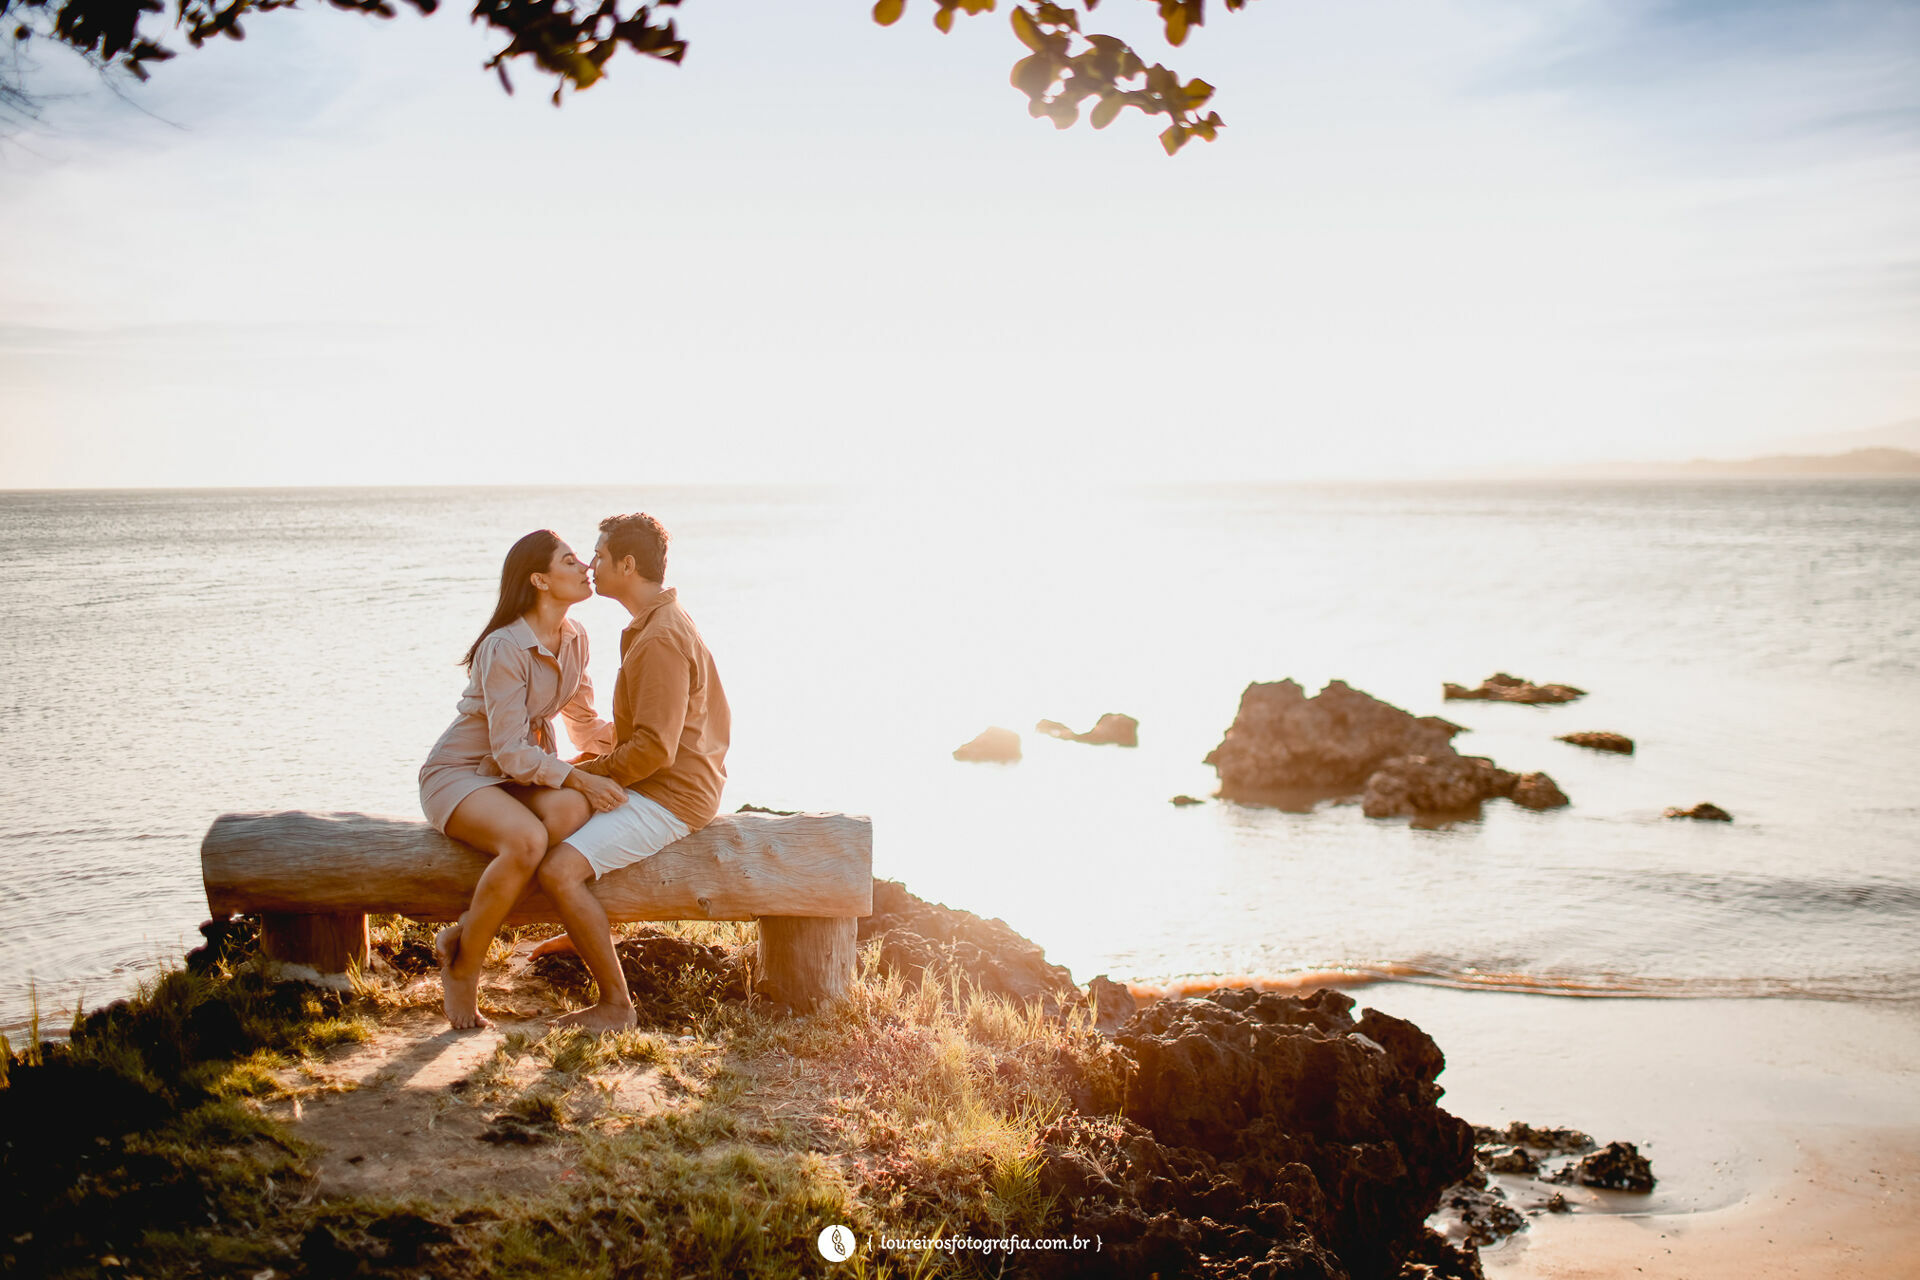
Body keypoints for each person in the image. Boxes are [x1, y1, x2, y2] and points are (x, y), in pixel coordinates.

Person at [418, 529, 630, 1029]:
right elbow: (509, 749)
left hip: (518, 775)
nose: (585, 568)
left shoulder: (576, 636)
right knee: (528, 840)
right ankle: (466, 968)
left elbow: (582, 724)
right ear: (539, 579)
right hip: (462, 773)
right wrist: (579, 779)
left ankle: (466, 930)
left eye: (582, 559)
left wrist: (642, 730)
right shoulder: (503, 646)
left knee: (574, 811)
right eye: (570, 561)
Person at [537, 512, 731, 1031]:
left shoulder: (660, 637)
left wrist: (587, 774)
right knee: (553, 810)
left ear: (628, 563)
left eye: (599, 556)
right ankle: (584, 931)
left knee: (558, 870)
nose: (590, 565)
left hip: (673, 794)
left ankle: (616, 1007)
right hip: (669, 780)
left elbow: (653, 750)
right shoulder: (654, 623)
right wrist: (585, 768)